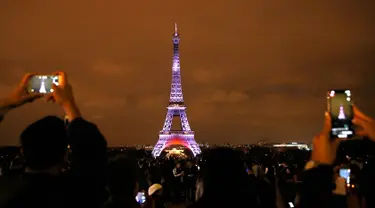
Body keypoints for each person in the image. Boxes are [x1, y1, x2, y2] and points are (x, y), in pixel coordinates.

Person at [0, 72, 108, 208]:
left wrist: (7, 103)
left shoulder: (6, 195)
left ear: (22, 151)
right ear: (65, 154)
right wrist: (68, 103)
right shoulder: (75, 195)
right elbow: (93, 153)